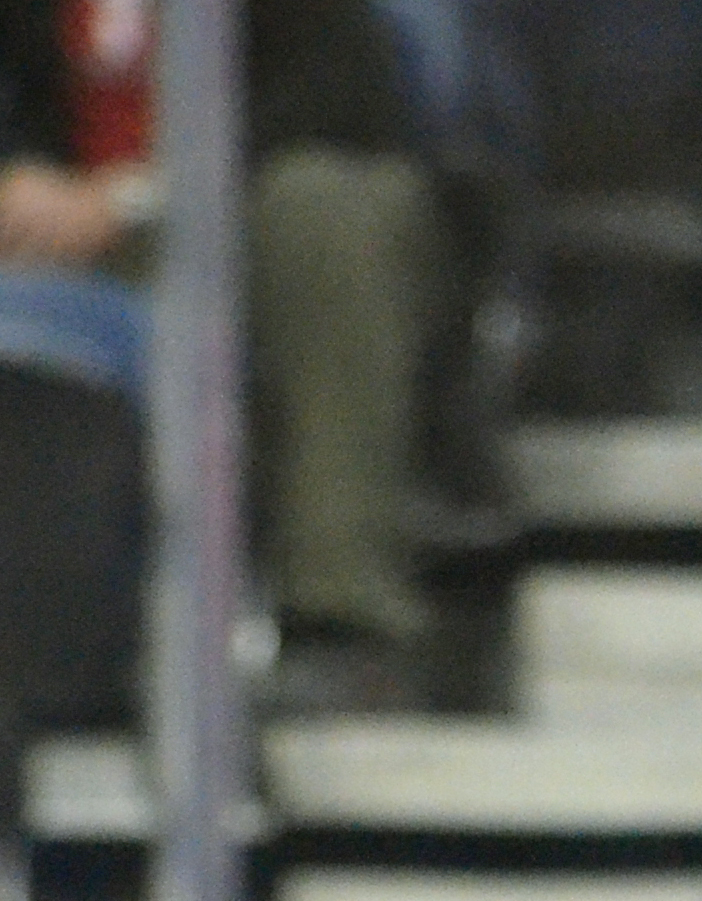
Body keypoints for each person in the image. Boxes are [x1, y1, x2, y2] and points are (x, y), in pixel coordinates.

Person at [0, 0, 446, 714]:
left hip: (240, 221)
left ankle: (337, 614)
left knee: (326, 210)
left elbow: (342, 103)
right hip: (63, 249)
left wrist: (133, 195)